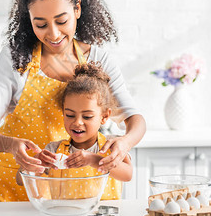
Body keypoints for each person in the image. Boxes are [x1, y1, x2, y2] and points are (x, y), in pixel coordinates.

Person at [0, 0, 145, 202]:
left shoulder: (99, 60)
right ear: (30, 19)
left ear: (77, 9)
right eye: (41, 24)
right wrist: (13, 146)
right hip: (0, 185)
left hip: (57, 191)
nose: (54, 34)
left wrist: (124, 143)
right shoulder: (16, 58)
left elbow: (135, 120)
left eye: (61, 20)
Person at [16, 62, 132, 200]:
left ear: (104, 116)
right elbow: (19, 179)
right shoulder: (54, 149)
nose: (77, 122)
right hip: (64, 215)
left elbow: (127, 175)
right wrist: (36, 161)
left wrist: (94, 160)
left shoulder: (111, 146)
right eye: (70, 115)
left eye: (87, 116)